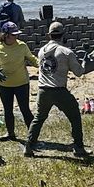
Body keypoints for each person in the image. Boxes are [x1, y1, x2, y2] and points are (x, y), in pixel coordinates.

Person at [25, 22, 87, 159]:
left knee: (39, 118)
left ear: (49, 35)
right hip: (59, 90)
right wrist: (84, 62)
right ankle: (78, 147)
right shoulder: (66, 52)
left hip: (43, 90)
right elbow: (78, 72)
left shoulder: (42, 51)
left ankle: (29, 146)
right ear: (63, 35)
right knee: (75, 116)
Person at [0, 21, 37, 142]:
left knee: (25, 109)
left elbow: (32, 59)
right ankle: (10, 133)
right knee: (7, 110)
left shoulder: (22, 46)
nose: (16, 36)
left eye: (17, 34)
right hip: (4, 85)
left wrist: (42, 64)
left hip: (21, 83)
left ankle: (33, 136)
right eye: (13, 34)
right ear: (5, 35)